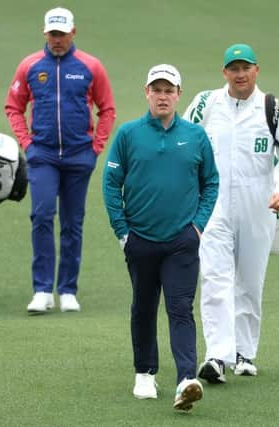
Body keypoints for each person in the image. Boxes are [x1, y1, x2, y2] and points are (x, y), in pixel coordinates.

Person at [102, 64, 219, 411]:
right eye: (157, 89)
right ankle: (145, 372)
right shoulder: (128, 134)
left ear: (178, 95)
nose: (163, 95)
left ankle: (186, 379)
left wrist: (198, 226)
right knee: (144, 305)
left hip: (182, 240)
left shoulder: (195, 136)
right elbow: (111, 183)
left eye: (169, 90)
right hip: (140, 239)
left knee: (180, 307)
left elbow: (210, 182)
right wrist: (122, 232)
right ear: (147, 92)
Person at [183, 43, 279, 381]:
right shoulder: (206, 103)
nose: (239, 74)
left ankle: (245, 353)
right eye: (233, 68)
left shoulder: (274, 109)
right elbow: (185, 141)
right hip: (213, 203)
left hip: (259, 203)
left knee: (249, 281)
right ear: (224, 73)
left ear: (256, 71)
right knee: (215, 278)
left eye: (245, 68)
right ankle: (216, 357)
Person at [5, 7, 116, 314]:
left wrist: (96, 147)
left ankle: (67, 289)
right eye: (52, 34)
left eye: (62, 34)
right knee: (41, 216)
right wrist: (26, 143)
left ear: (73, 33)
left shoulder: (90, 66)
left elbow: (107, 109)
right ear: (45, 33)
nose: (57, 40)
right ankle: (42, 290)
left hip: (80, 156)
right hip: (42, 155)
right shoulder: (30, 66)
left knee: (72, 223)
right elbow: (13, 106)